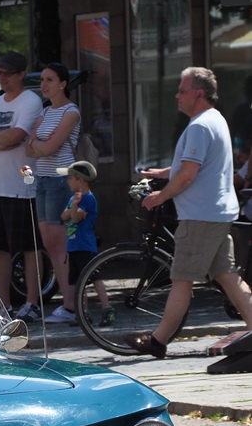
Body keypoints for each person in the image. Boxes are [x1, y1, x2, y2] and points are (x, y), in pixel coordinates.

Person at [129, 67, 252, 356]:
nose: (177, 95)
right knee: (228, 276)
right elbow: (192, 165)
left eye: (182, 90)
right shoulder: (215, 120)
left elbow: (188, 175)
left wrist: (161, 196)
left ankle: (157, 341)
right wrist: (164, 171)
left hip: (200, 216)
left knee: (181, 279)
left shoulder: (198, 126)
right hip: (216, 213)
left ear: (198, 93)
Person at [0, 52, 44, 316]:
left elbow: (18, 135)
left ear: (21, 74)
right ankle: (4, 304)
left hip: (22, 182)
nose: (2, 77)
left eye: (8, 73)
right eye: (0, 72)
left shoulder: (30, 101)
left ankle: (32, 302)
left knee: (28, 245)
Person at [26, 63, 82, 320]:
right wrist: (39, 144)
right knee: (49, 243)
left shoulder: (71, 112)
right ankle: (68, 303)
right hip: (42, 180)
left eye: (50, 79)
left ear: (63, 83)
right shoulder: (46, 113)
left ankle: (71, 305)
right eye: (42, 80)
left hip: (61, 181)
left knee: (61, 244)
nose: (44, 84)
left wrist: (39, 144)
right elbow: (30, 148)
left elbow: (50, 148)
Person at [59, 160, 109, 325]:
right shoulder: (73, 199)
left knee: (94, 278)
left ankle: (107, 308)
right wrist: (73, 206)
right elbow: (63, 216)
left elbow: (74, 217)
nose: (68, 182)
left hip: (85, 246)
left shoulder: (88, 199)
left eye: (70, 178)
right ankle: (83, 313)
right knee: (77, 283)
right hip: (73, 246)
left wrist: (74, 207)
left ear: (80, 180)